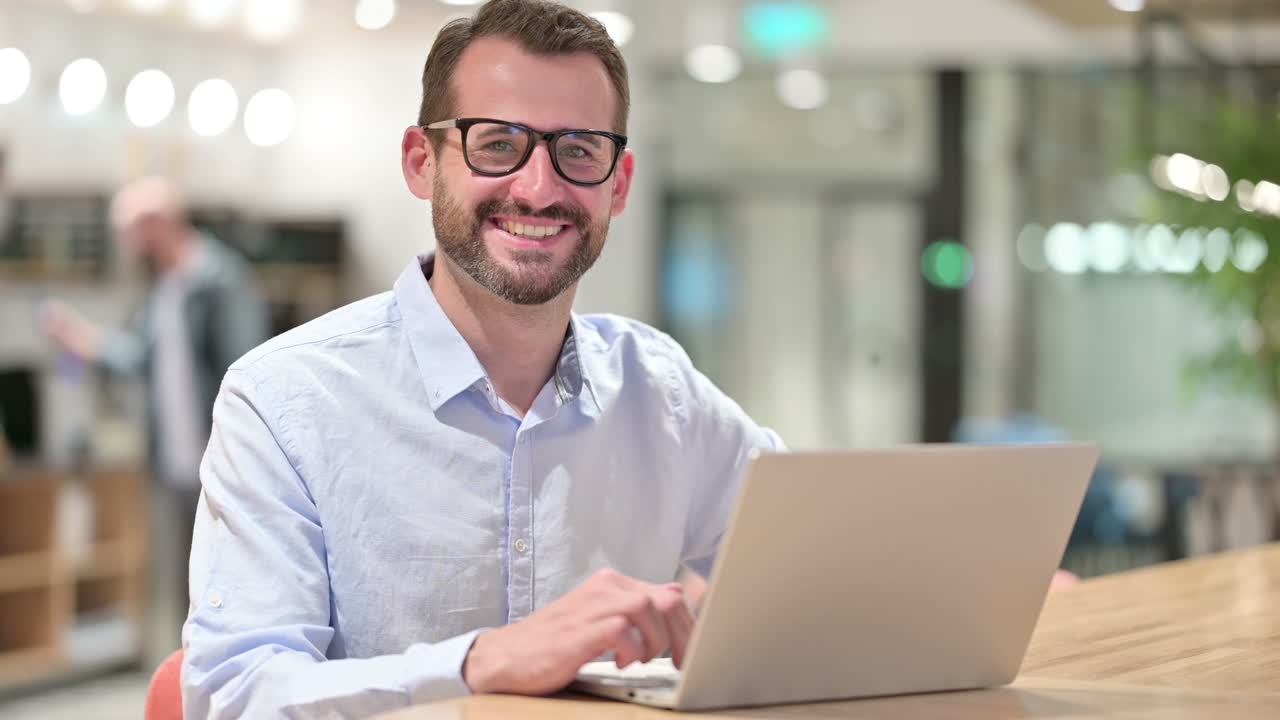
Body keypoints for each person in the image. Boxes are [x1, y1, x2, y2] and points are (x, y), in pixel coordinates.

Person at [181, 0, 783, 716]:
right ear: (420, 161)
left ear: (618, 185)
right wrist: (482, 663)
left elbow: (822, 567)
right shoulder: (283, 400)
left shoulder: (664, 393)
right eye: (497, 143)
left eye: (580, 149)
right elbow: (235, 695)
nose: (538, 187)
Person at [41, 176, 269, 658]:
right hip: (173, 464)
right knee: (184, 583)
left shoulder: (222, 280)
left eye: (130, 232)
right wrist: (84, 341)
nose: (125, 247)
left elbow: (250, 371)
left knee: (231, 585)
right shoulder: (165, 289)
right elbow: (141, 357)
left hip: (226, 464)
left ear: (157, 225)